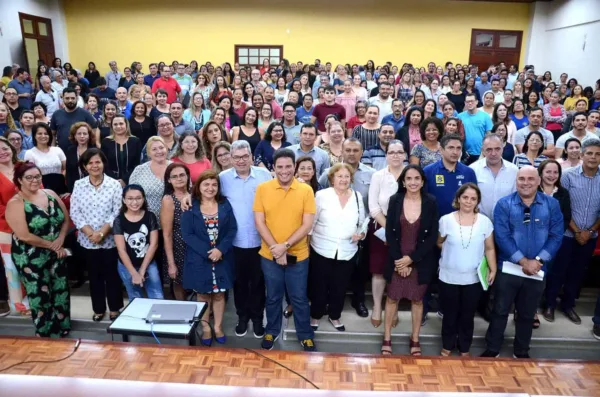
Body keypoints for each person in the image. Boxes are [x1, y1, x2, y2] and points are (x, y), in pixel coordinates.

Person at [482, 166, 563, 359]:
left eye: (530, 179)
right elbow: (502, 236)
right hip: (508, 269)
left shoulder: (551, 205)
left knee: (527, 314)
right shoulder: (503, 204)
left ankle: (521, 351)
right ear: (516, 181)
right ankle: (493, 348)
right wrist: (522, 260)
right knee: (500, 310)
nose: (525, 183)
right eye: (521, 179)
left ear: (538, 181)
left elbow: (556, 236)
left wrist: (537, 261)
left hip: (537, 270)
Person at [253, 148, 317, 351]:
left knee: (298, 297)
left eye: (288, 166)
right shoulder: (263, 189)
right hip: (269, 255)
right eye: (279, 167)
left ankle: (305, 335)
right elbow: (259, 222)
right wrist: (276, 250)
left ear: (294, 167)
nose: (284, 171)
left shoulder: (306, 190)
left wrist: (285, 247)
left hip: (298, 255)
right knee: (272, 296)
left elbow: (307, 225)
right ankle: (271, 331)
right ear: (273, 167)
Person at [5, 162, 71, 337]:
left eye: (37, 176)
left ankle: (63, 329)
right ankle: (45, 334)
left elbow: (65, 220)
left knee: (60, 290)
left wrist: (60, 240)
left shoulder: (50, 194)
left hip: (57, 251)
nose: (34, 180)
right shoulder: (16, 203)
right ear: (19, 180)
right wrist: (52, 245)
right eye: (29, 177)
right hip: (30, 256)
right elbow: (24, 235)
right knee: (40, 296)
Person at [381, 165, 439, 356]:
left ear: (422, 182)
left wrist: (411, 260)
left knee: (417, 301)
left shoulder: (431, 202)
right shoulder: (395, 200)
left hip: (419, 260)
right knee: (391, 299)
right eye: (409, 179)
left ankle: (415, 338)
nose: (413, 182)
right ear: (403, 182)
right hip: (396, 259)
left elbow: (432, 237)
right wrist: (400, 261)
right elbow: (389, 232)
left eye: (417, 178)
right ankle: (387, 337)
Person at [543, 139, 600, 325]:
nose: (593, 157)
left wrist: (589, 231)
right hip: (567, 234)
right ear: (582, 155)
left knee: (577, 272)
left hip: (590, 236)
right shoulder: (567, 176)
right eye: (589, 153)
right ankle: (549, 304)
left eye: (597, 154)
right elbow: (562, 207)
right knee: (558, 270)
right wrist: (576, 231)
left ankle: (568, 305)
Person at [220, 140, 272, 338]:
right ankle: (242, 317)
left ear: (251, 156)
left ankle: (258, 318)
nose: (241, 161)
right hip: (234, 241)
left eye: (244, 156)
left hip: (261, 240)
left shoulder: (264, 176)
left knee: (259, 283)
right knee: (239, 283)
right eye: (236, 157)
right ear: (231, 159)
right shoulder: (222, 178)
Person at [437, 183, 496, 356]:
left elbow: (490, 248)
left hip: (473, 278)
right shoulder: (446, 220)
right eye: (465, 197)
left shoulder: (485, 222)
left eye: (473, 199)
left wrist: (493, 269)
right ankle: (447, 345)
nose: (468, 202)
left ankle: (464, 347)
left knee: (467, 315)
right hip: (448, 276)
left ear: (477, 202)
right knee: (449, 314)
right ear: (458, 199)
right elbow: (439, 242)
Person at [181, 170, 236, 346]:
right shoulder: (190, 206)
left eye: (214, 184)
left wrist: (220, 250)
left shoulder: (225, 204)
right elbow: (187, 234)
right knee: (203, 295)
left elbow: (232, 230)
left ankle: (218, 326)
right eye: (206, 184)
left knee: (220, 294)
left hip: (222, 258)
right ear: (199, 186)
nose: (210, 188)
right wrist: (208, 252)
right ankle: (205, 328)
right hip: (199, 259)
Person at [309, 163, 366, 332]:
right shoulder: (321, 195)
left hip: (347, 251)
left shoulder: (357, 196)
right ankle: (316, 315)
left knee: (339, 286)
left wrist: (360, 234)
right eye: (339, 176)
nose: (343, 179)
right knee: (319, 285)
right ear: (332, 179)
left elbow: (362, 224)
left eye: (346, 176)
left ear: (351, 179)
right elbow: (311, 223)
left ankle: (335, 315)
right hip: (321, 248)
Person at [70, 148, 123, 322]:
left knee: (112, 276)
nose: (94, 166)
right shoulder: (79, 185)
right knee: (94, 276)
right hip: (88, 240)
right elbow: (75, 212)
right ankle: (99, 309)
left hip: (110, 241)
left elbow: (117, 211)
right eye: (90, 163)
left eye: (97, 162)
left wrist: (101, 232)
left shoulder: (114, 185)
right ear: (85, 166)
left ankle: (115, 308)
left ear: (103, 163)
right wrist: (91, 233)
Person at [368, 140, 406, 329]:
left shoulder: (411, 175)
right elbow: (373, 207)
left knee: (398, 272)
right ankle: (376, 307)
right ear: (386, 155)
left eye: (399, 152)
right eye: (392, 152)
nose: (396, 156)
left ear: (405, 155)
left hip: (406, 231)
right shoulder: (378, 176)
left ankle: (394, 308)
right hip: (380, 229)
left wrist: (400, 231)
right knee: (379, 270)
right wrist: (389, 230)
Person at [113, 184, 163, 300]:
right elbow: (121, 249)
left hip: (148, 263)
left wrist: (142, 269)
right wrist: (134, 273)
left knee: (157, 295)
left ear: (143, 199)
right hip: (126, 265)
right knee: (135, 297)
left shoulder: (150, 216)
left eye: (138, 198)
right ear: (124, 200)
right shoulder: (119, 220)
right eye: (130, 198)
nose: (134, 202)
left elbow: (153, 244)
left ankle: (157, 319)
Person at [423, 134, 478, 217]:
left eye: (458, 148)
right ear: (441, 150)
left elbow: (474, 199)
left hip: (461, 223)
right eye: (451, 148)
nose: (455, 152)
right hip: (436, 223)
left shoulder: (469, 172)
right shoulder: (428, 171)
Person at [470, 134, 518, 221]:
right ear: (483, 151)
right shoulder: (473, 170)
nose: (493, 153)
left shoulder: (514, 170)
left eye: (497, 149)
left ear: (502, 149)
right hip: (480, 222)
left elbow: (516, 199)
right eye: (489, 149)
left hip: (507, 223)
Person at [130, 137, 171, 223]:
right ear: (148, 153)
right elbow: (130, 194)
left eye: (161, 148)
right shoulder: (139, 170)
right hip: (147, 222)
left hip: (173, 221)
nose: (159, 151)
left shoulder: (176, 167)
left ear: (166, 149)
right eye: (154, 149)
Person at [24, 123, 67, 195]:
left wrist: (61, 180)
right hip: (41, 189)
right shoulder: (30, 153)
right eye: (39, 133)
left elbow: (66, 168)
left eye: (46, 133)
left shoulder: (57, 150)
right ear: (34, 136)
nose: (43, 136)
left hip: (60, 188)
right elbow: (29, 174)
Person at [50, 87, 99, 152]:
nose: (70, 100)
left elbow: (94, 132)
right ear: (62, 98)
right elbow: (52, 134)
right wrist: (53, 149)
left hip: (82, 153)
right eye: (67, 98)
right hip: (62, 152)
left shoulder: (86, 114)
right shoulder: (56, 114)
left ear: (77, 98)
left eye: (73, 98)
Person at [101, 115, 142, 186]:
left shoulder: (135, 141)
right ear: (112, 126)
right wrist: (115, 180)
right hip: (110, 181)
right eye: (115, 124)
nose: (118, 126)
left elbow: (138, 164)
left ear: (126, 124)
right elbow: (104, 164)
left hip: (132, 180)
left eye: (121, 123)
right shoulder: (106, 141)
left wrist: (125, 180)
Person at [459, 93, 493, 164]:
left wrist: (485, 150)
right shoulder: (460, 117)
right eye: (468, 101)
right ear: (465, 103)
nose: (470, 103)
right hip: (465, 154)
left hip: (481, 153)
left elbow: (489, 135)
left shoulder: (485, 116)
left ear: (477, 102)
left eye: (472, 101)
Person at [65, 122, 96, 193]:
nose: (82, 136)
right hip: (75, 188)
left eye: (85, 134)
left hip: (93, 187)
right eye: (79, 134)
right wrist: (70, 191)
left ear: (89, 136)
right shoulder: (70, 150)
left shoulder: (94, 150)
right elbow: (69, 173)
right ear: (74, 136)